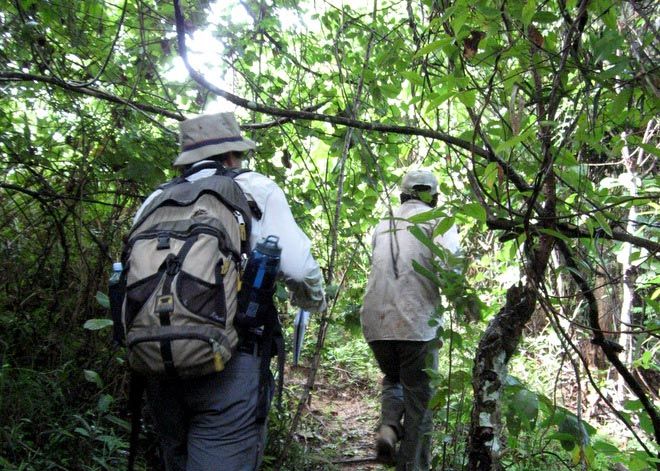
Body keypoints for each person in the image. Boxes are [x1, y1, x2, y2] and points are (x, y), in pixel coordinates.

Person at [133, 112, 326, 471]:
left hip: (157, 361)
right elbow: (299, 269)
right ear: (232, 155)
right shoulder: (254, 189)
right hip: (231, 361)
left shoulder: (155, 200)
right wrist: (312, 301)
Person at [360, 169, 460, 471]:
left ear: (403, 194)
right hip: (415, 323)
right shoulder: (439, 219)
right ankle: (412, 467)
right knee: (420, 404)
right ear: (435, 196)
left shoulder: (383, 223)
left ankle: (389, 427)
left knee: (395, 378)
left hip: (375, 322)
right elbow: (451, 268)